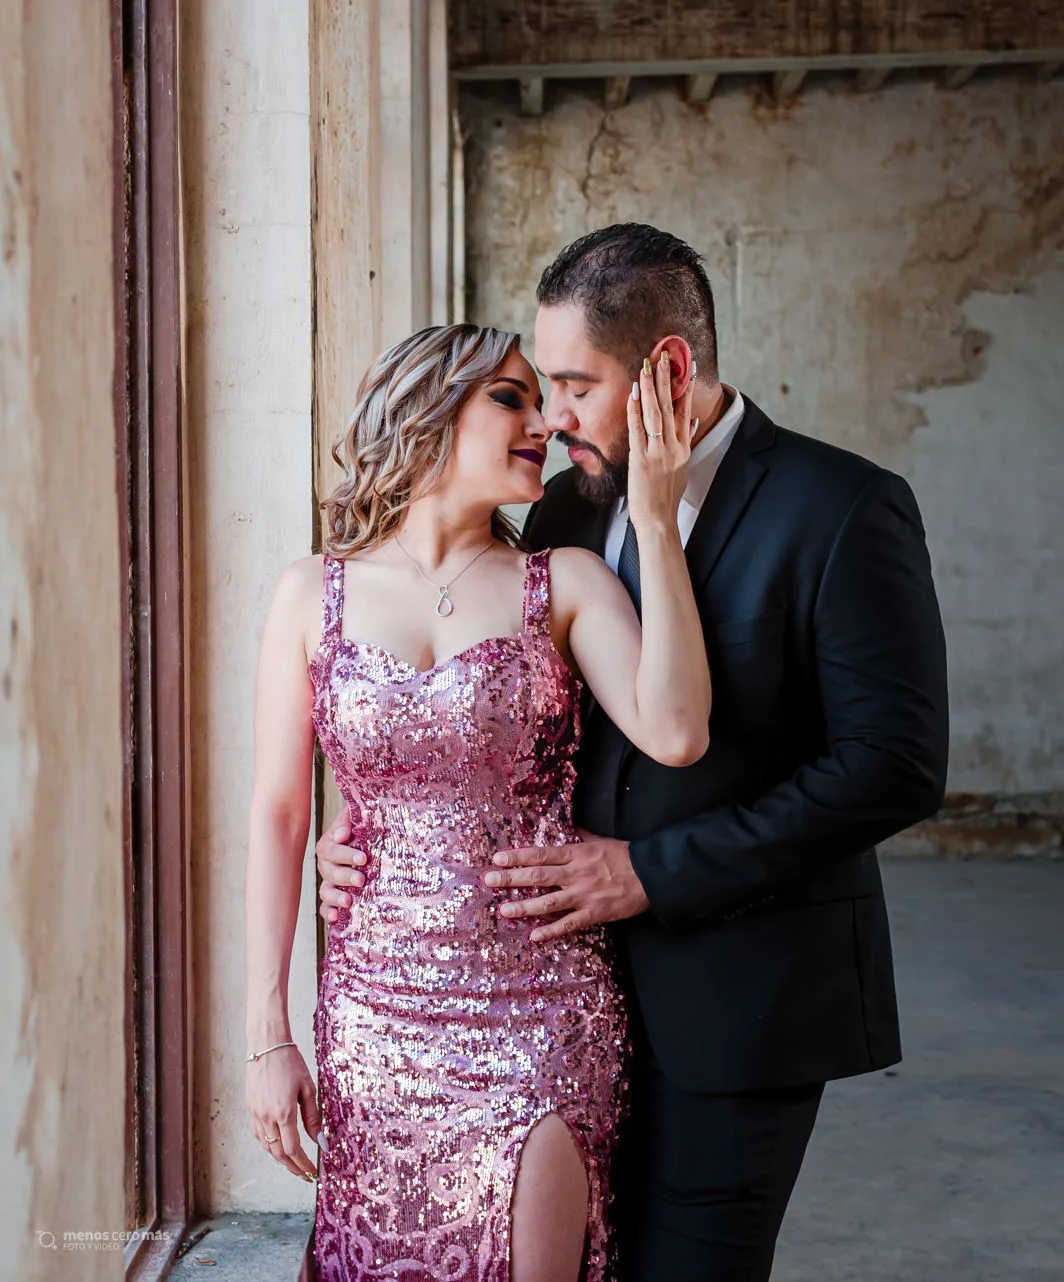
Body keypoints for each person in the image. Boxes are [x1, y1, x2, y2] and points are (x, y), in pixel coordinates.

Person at [315, 224, 950, 1281]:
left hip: (739, 1001)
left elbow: (894, 764)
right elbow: (493, 694)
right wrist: (373, 810)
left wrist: (645, 871)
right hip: (559, 1001)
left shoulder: (841, 508)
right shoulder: (567, 502)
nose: (552, 418)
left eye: (571, 384)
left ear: (666, 369)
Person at [244, 321, 708, 1282]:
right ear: (425, 410)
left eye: (543, 399)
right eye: (511, 398)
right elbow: (281, 815)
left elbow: (676, 731)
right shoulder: (308, 595)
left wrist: (656, 522)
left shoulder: (563, 583)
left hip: (541, 1006)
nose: (543, 420)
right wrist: (267, 1037)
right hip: (373, 1016)